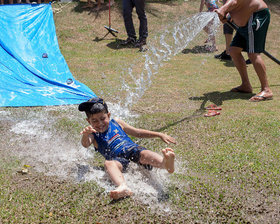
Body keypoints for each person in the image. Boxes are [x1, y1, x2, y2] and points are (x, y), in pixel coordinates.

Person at [79, 97, 176, 200]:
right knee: (108, 163)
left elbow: (137, 132)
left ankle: (165, 163)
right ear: (88, 121)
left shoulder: (117, 122)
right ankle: (122, 186)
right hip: (118, 160)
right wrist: (86, 135)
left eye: (102, 118)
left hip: (132, 149)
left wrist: (159, 134)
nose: (99, 123)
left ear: (108, 115)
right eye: (94, 121)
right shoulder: (92, 134)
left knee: (145, 154)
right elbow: (85, 144)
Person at [214, 0, 273, 102]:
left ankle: (266, 89)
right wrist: (227, 14)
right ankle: (246, 85)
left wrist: (223, 9)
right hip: (245, 22)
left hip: (256, 16)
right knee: (233, 50)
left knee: (253, 53)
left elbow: (234, 1)